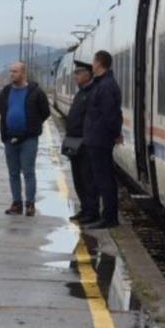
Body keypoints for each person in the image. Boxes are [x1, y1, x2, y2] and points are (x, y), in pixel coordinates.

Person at [0, 61, 51, 216]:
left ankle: (30, 204)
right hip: (9, 139)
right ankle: (16, 203)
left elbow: (45, 112)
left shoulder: (36, 92)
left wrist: (32, 126)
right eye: (10, 71)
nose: (12, 74)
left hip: (29, 139)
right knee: (13, 173)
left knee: (28, 172)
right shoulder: (6, 92)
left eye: (15, 71)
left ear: (23, 73)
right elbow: (2, 110)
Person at [80, 50, 123, 229]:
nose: (92, 65)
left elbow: (110, 114)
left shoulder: (105, 86)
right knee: (101, 179)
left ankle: (109, 218)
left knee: (104, 180)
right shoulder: (103, 84)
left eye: (93, 61)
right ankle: (105, 215)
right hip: (97, 138)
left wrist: (114, 134)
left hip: (100, 140)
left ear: (98, 63)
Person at [62, 59, 97, 224]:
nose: (75, 76)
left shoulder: (91, 93)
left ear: (88, 74)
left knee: (88, 179)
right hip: (73, 142)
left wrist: (85, 140)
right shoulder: (81, 93)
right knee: (78, 179)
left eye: (78, 73)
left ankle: (91, 212)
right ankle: (84, 209)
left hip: (84, 144)